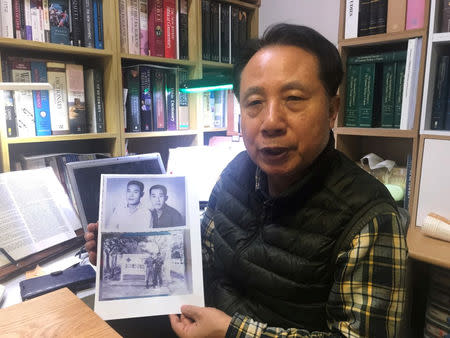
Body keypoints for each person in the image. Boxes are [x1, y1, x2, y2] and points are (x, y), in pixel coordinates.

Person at [85, 24, 407, 337]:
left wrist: (230, 332)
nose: (270, 122)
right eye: (254, 103)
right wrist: (127, 244)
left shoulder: (370, 218)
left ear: (332, 110)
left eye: (293, 98)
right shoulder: (237, 172)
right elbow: (203, 257)